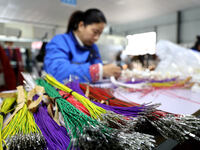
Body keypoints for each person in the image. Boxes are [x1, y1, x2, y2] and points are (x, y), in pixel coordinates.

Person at [44, 8, 121, 83]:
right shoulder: (60, 41)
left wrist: (108, 73)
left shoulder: (93, 47)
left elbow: (98, 67)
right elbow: (55, 72)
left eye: (100, 34)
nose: (97, 38)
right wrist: (97, 71)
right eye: (95, 32)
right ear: (81, 26)